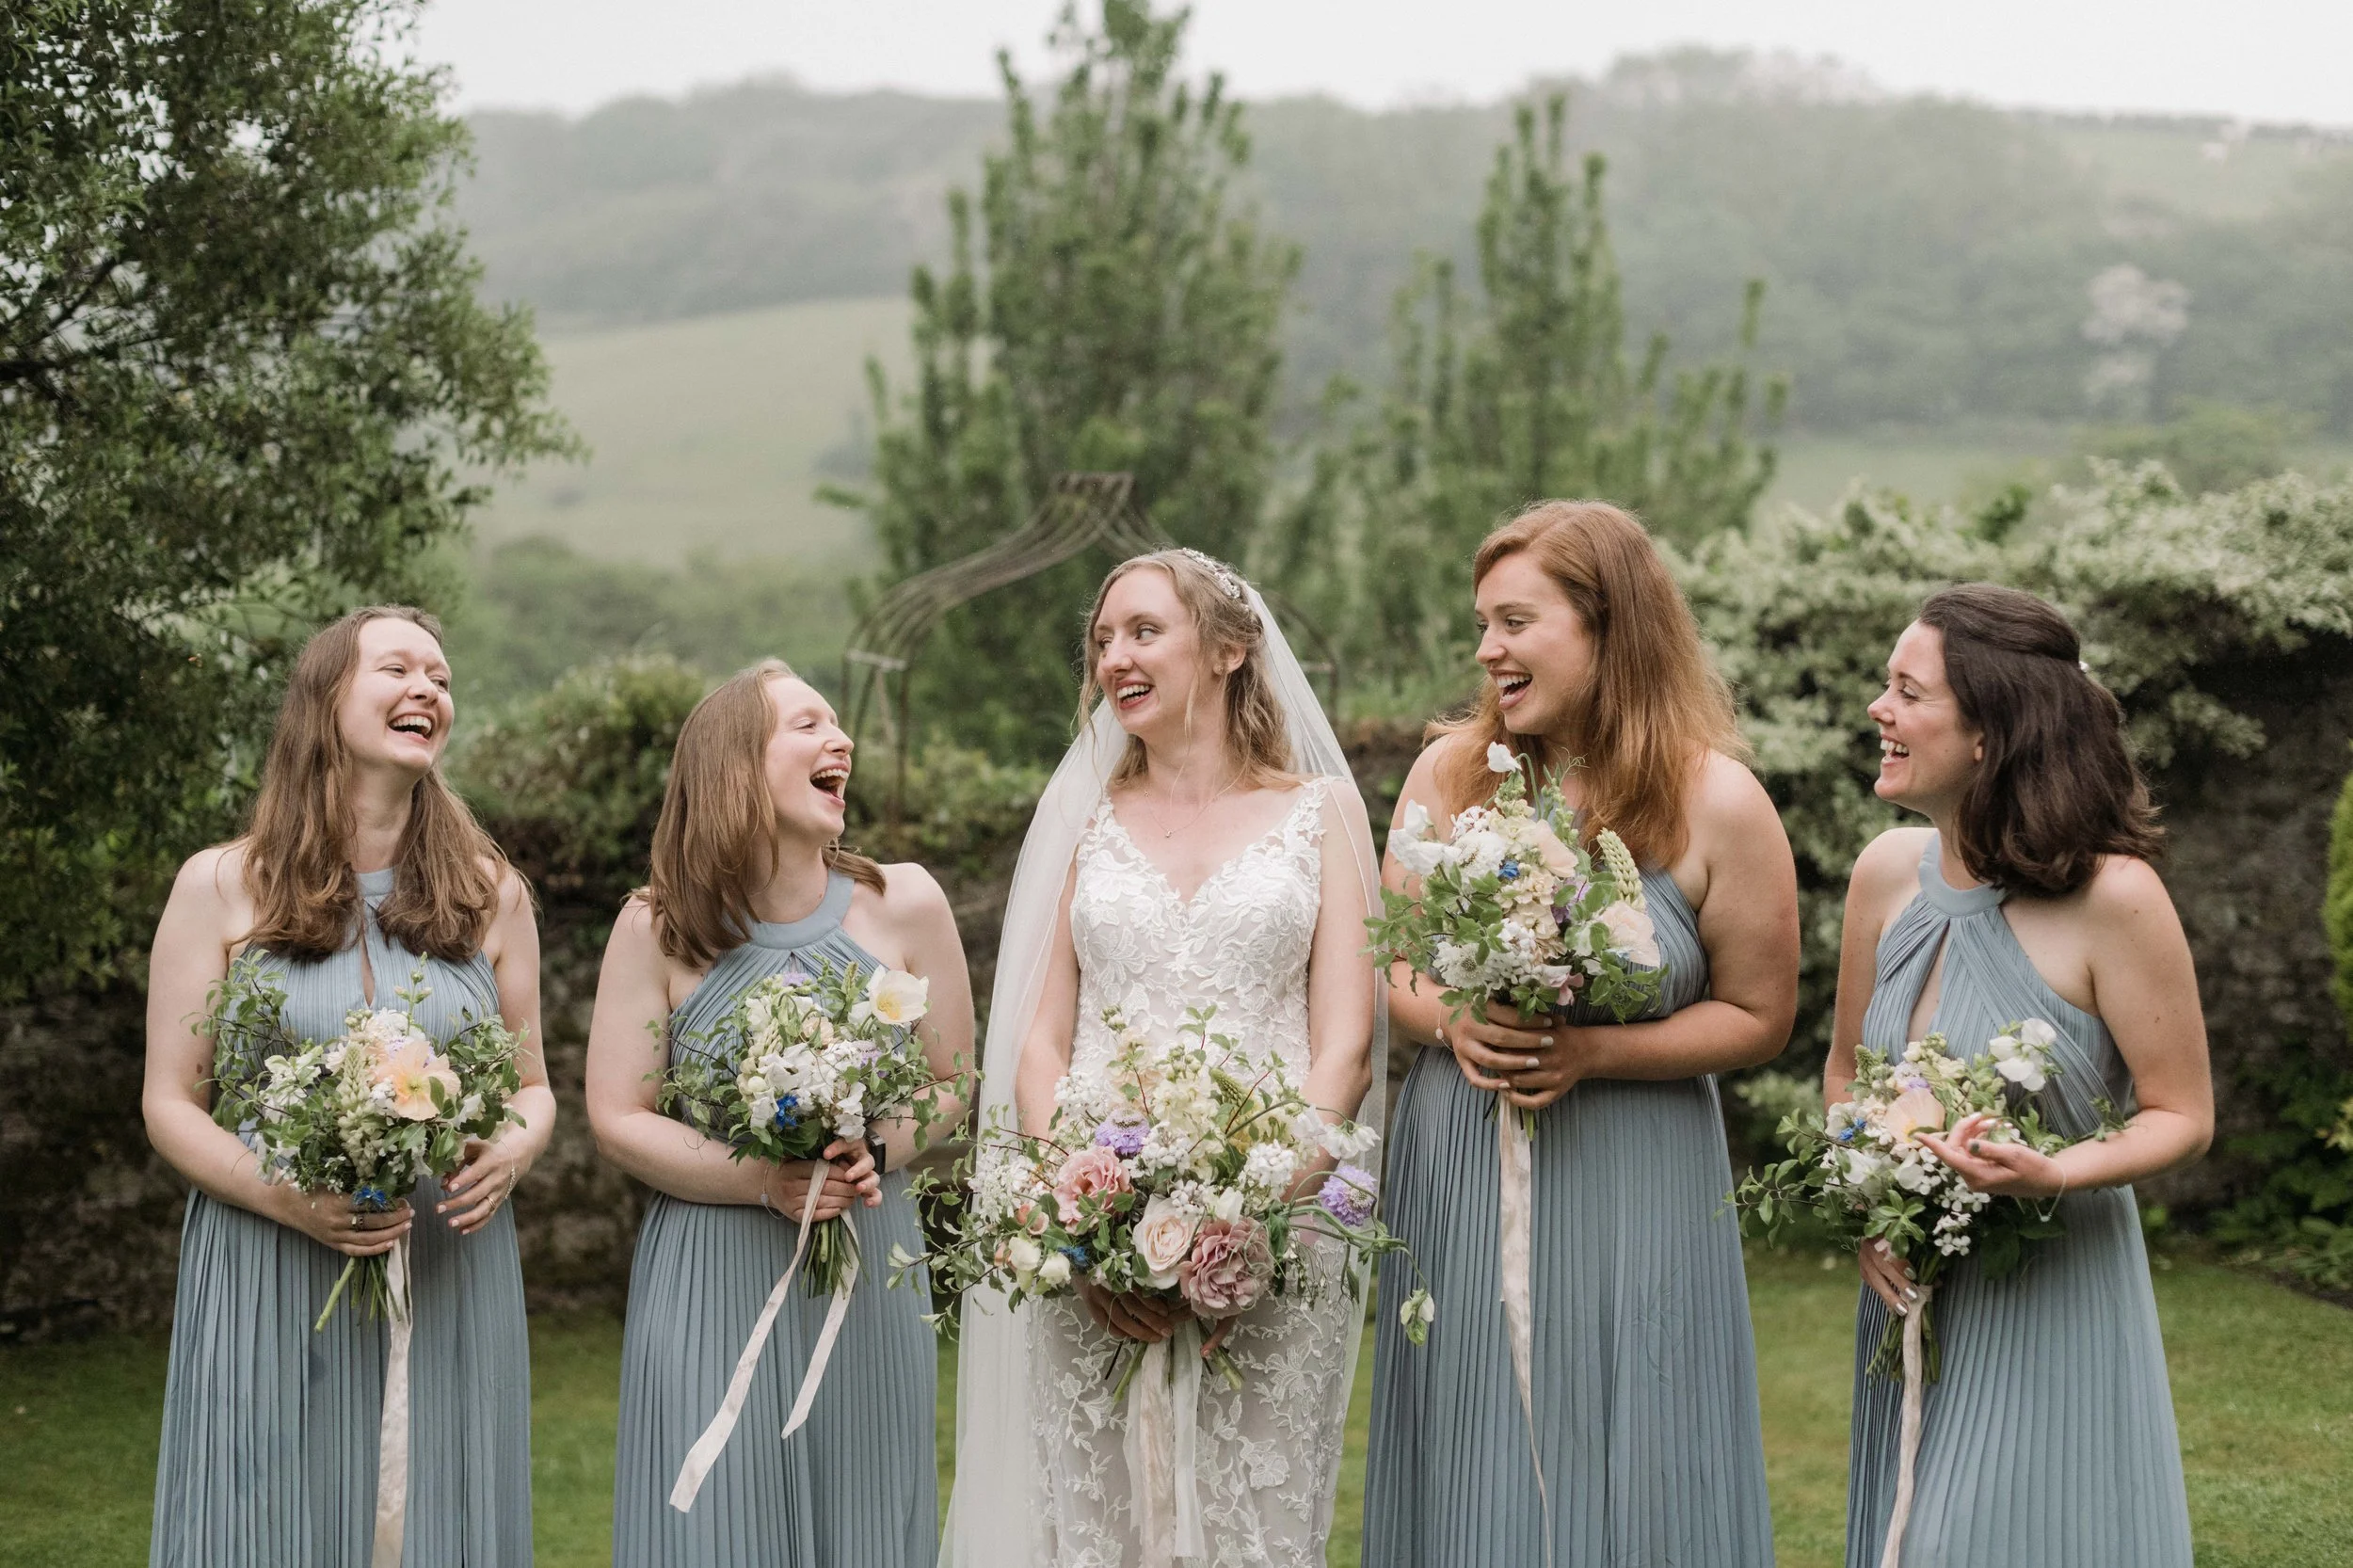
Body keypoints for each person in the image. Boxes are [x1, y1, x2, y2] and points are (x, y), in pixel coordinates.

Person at [1362, 501, 1793, 1568]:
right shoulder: (1446, 776)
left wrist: (1595, 1050)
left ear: (1608, 626)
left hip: (1637, 1165)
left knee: (1641, 1420)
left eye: (1514, 621)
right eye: (1481, 625)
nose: (1486, 650)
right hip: (1460, 1148)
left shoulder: (1717, 801)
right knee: (1470, 1429)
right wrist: (1450, 1015)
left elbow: (1758, 1014)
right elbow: (1389, 965)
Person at [941, 548, 1385, 1568]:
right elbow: (1041, 1037)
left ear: (1230, 649)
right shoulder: (1081, 819)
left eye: (1144, 631)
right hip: (1092, 1216)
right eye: (1102, 640)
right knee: (1093, 1525)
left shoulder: (1321, 812)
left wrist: (1251, 1216)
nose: (1114, 657)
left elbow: (1346, 1043)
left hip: (1282, 1225)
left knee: (1254, 1522)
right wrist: (1081, 1214)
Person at [144, 605, 550, 1566]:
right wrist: (288, 1198)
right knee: (267, 1518)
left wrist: (518, 1145)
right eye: (398, 668)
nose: (428, 689)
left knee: (437, 1520)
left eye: (441, 678)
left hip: (447, 1261)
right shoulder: (220, 886)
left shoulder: (492, 891)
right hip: (268, 1261)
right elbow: (169, 1100)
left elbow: (533, 1084)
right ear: (325, 702)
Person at [1831, 583, 2206, 1567]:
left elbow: (2181, 1113)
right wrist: (1871, 1210)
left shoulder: (2113, 896)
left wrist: (2055, 1171)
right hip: (1913, 1299)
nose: (1878, 709)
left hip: (2056, 1296)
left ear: (1989, 732)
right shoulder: (1883, 876)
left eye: (1906, 692)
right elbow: (1845, 1080)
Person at [589, 659, 971, 1567]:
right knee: (715, 1527)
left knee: (867, 1515)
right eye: (808, 725)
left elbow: (953, 1080)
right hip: (710, 1267)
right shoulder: (657, 926)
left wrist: (878, 1145)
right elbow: (617, 1113)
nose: (841, 741)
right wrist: (762, 1178)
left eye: (839, 726)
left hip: (867, 1254)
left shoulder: (905, 901)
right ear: (733, 764)